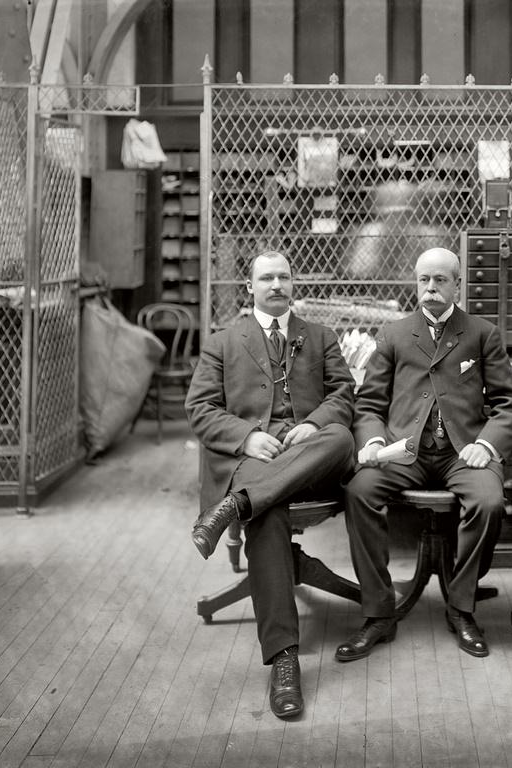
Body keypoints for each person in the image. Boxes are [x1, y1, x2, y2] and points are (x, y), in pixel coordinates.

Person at [185, 250, 355, 720]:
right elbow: (199, 409)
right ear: (250, 287)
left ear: (293, 283)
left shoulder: (320, 337)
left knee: (340, 436)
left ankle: (234, 507)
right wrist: (247, 436)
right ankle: (284, 661)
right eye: (266, 278)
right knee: (268, 514)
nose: (276, 284)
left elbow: (344, 395)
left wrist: (315, 422)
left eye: (283, 276)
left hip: (312, 459)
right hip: (256, 462)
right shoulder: (222, 342)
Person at [336, 247, 512, 662]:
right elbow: (368, 404)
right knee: (359, 492)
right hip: (406, 452)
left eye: (441, 280)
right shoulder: (395, 334)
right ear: (416, 283)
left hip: (464, 453)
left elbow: (510, 402)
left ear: (458, 284)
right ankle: (379, 611)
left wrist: (486, 445)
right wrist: (371, 443)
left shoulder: (481, 332)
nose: (431, 288)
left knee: (490, 502)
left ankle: (462, 606)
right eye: (424, 280)